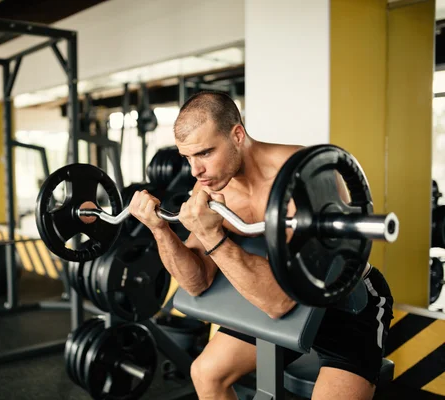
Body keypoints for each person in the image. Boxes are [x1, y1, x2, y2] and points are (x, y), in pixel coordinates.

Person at [128, 91, 394, 400]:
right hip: (279, 302)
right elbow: (196, 283)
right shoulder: (212, 186)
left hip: (348, 305)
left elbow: (279, 301)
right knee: (206, 374)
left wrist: (213, 235)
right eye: (187, 157)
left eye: (204, 153)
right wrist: (159, 230)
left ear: (237, 135)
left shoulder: (305, 176)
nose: (195, 171)